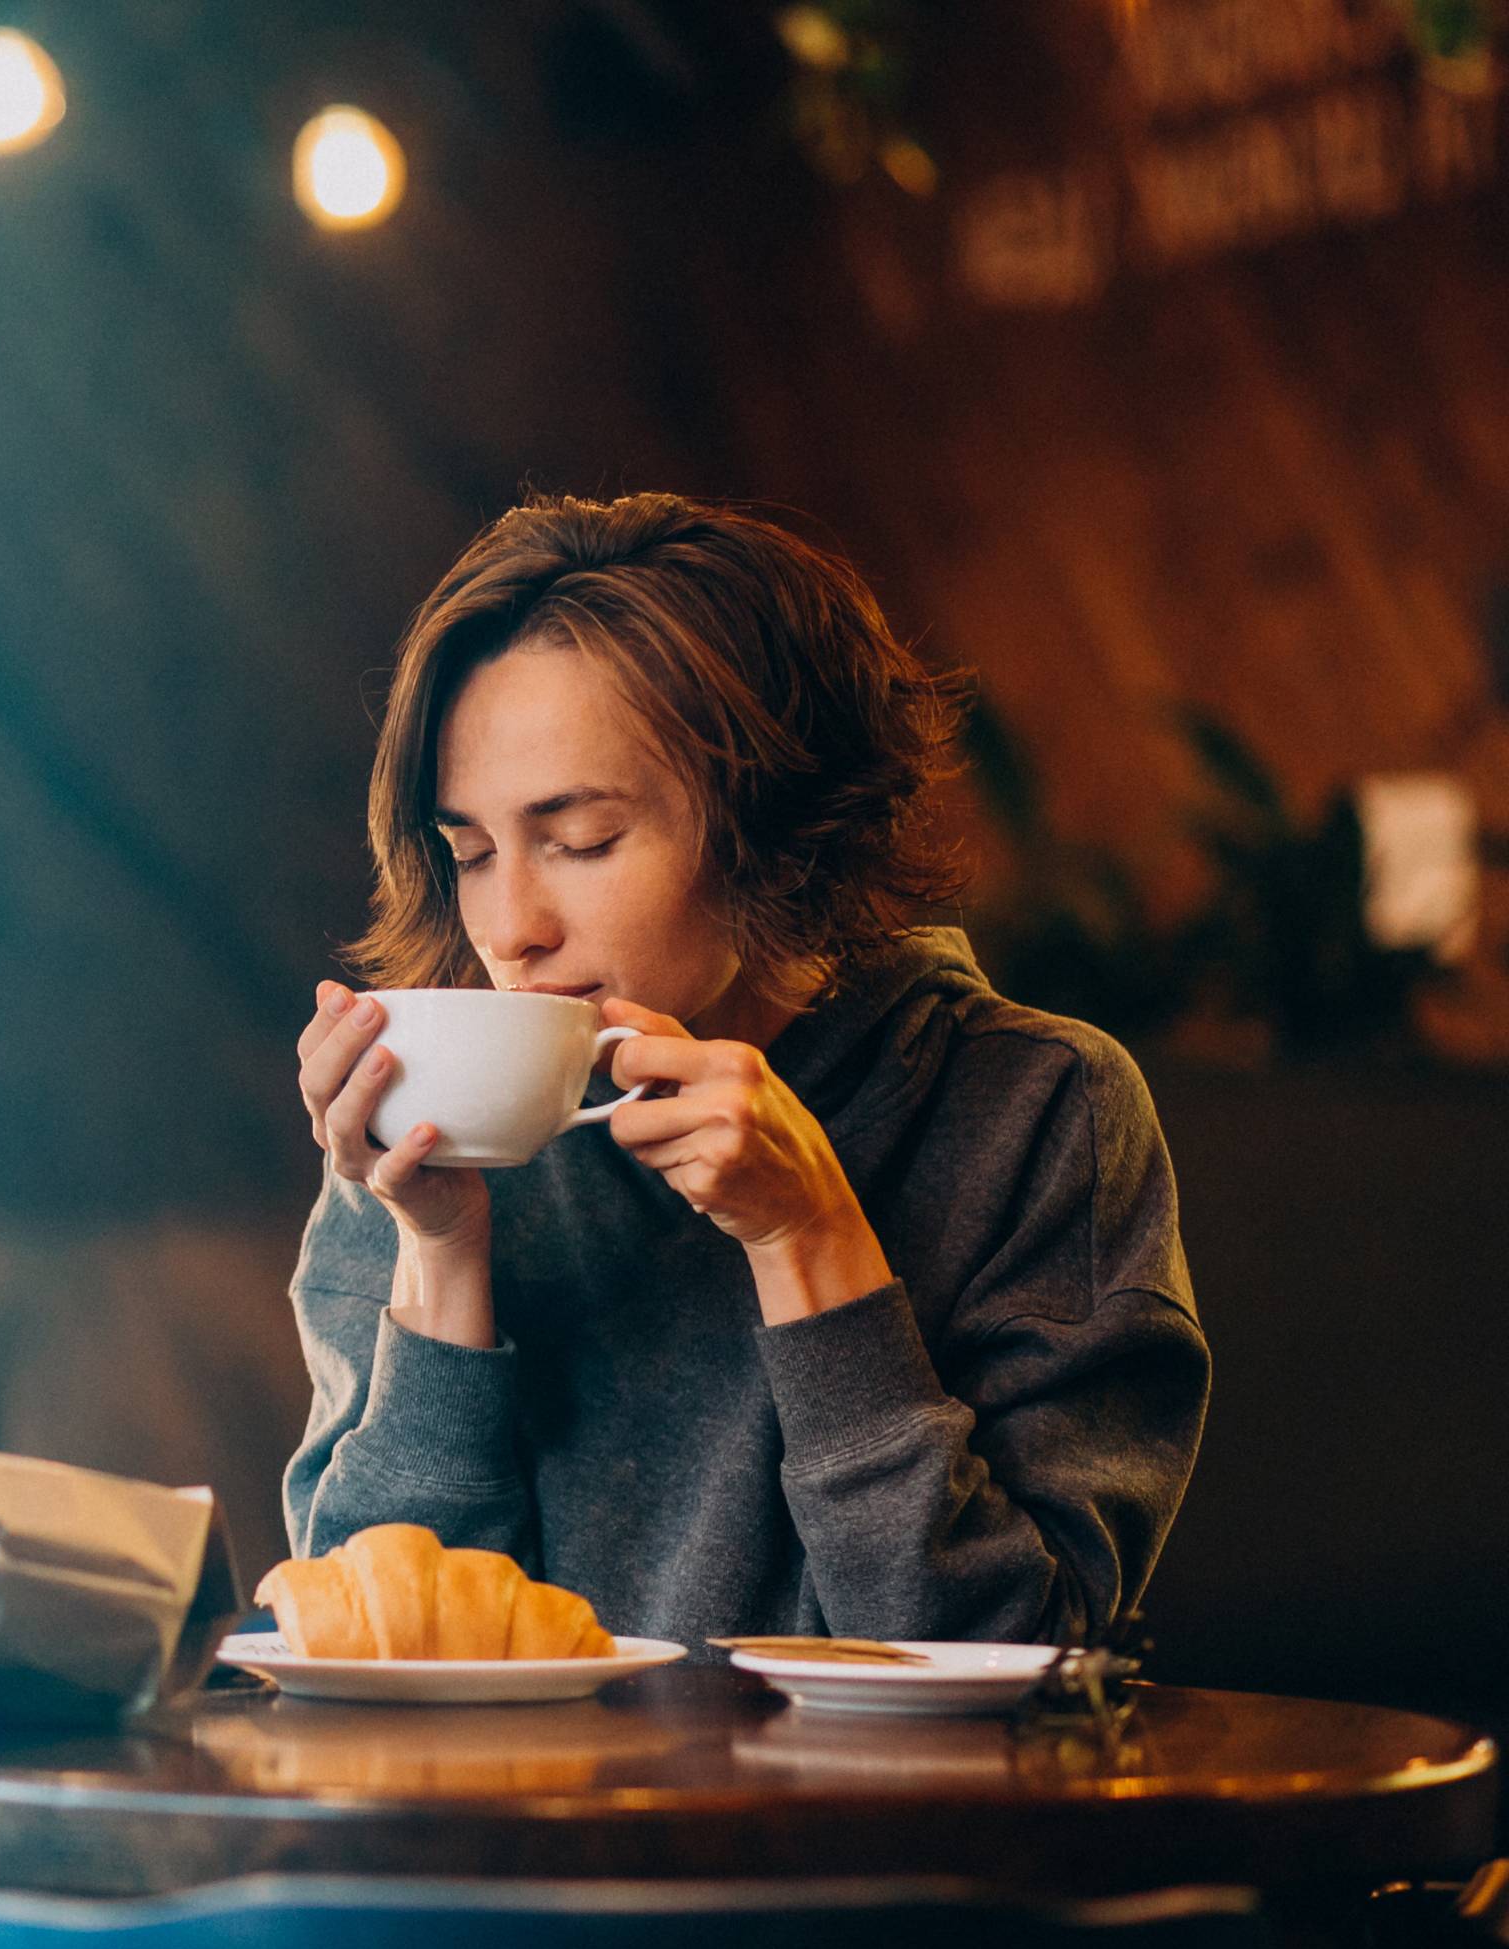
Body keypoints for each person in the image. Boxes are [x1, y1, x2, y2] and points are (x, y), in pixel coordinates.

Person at [286, 492, 1208, 1647]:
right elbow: (368, 1647)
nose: (507, 927)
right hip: (515, 1828)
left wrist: (807, 1237)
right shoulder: (427, 1124)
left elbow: (1011, 1658)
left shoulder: (1032, 1106)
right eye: (468, 851)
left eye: (580, 842)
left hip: (883, 1833)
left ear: (775, 823)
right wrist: (439, 1256)